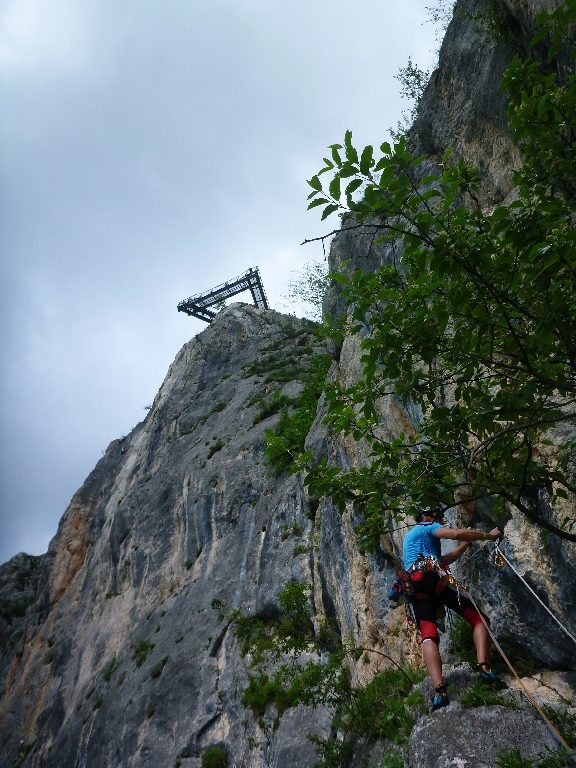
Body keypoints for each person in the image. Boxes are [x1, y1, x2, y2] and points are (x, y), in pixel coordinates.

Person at [402, 508, 503, 712]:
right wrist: (489, 536)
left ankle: (439, 690)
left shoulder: (412, 539)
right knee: (479, 619)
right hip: (432, 579)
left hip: (414, 586)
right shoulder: (427, 527)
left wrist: (465, 546)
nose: (440, 522)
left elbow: (443, 560)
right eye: (439, 519)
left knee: (428, 636)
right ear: (428, 518)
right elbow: (455, 534)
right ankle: (484, 668)